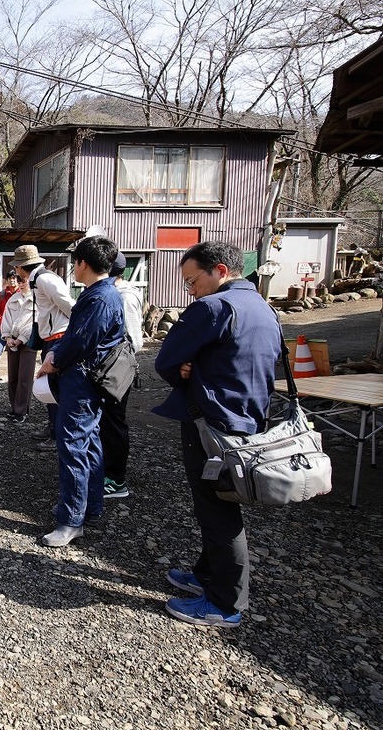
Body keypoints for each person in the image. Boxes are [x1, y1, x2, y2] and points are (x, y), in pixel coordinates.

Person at [154, 241, 281, 628]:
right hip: (248, 420)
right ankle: (207, 574)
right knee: (221, 502)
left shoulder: (213, 308)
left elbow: (166, 360)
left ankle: (225, 603)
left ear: (220, 271)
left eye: (192, 281)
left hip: (212, 424)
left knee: (217, 511)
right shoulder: (262, 306)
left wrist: (185, 370)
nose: (190, 291)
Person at [36, 236, 125, 548]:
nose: (73, 267)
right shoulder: (99, 294)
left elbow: (81, 341)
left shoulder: (100, 298)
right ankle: (89, 506)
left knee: (73, 445)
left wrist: (53, 360)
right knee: (89, 444)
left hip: (83, 381)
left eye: (75, 262)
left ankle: (71, 519)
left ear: (84, 264)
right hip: (86, 380)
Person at [13, 245, 74, 450]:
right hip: (51, 337)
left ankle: (58, 435)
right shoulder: (39, 278)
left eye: (17, 267)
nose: (16, 271)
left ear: (23, 266)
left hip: (58, 337)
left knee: (54, 388)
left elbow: (69, 306)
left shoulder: (44, 279)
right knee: (49, 387)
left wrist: (71, 330)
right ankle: (53, 428)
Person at [100, 253, 144, 500]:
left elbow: (134, 339)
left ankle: (116, 479)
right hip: (110, 368)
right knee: (106, 421)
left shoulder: (124, 296)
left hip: (117, 369)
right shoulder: (116, 293)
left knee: (114, 423)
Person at [0, 273, 37, 422]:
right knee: (13, 376)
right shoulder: (12, 300)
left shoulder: (36, 300)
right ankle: (14, 407)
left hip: (28, 342)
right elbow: (6, 319)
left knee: (25, 377)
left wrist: (21, 339)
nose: (22, 284)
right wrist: (8, 337)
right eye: (20, 282)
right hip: (12, 341)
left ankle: (22, 410)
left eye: (25, 281)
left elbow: (34, 323)